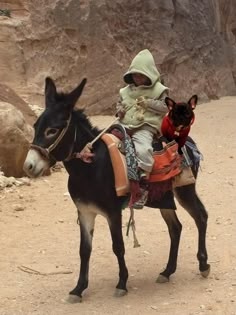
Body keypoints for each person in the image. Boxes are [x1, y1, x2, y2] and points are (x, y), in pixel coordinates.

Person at [116, 49, 169, 209]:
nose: (137, 78)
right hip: (124, 124)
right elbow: (118, 104)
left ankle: (143, 185)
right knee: (105, 142)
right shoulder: (125, 91)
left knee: (144, 149)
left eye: (141, 75)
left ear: (149, 74)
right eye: (134, 75)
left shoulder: (159, 90)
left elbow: (166, 107)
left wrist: (148, 103)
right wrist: (119, 110)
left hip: (145, 126)